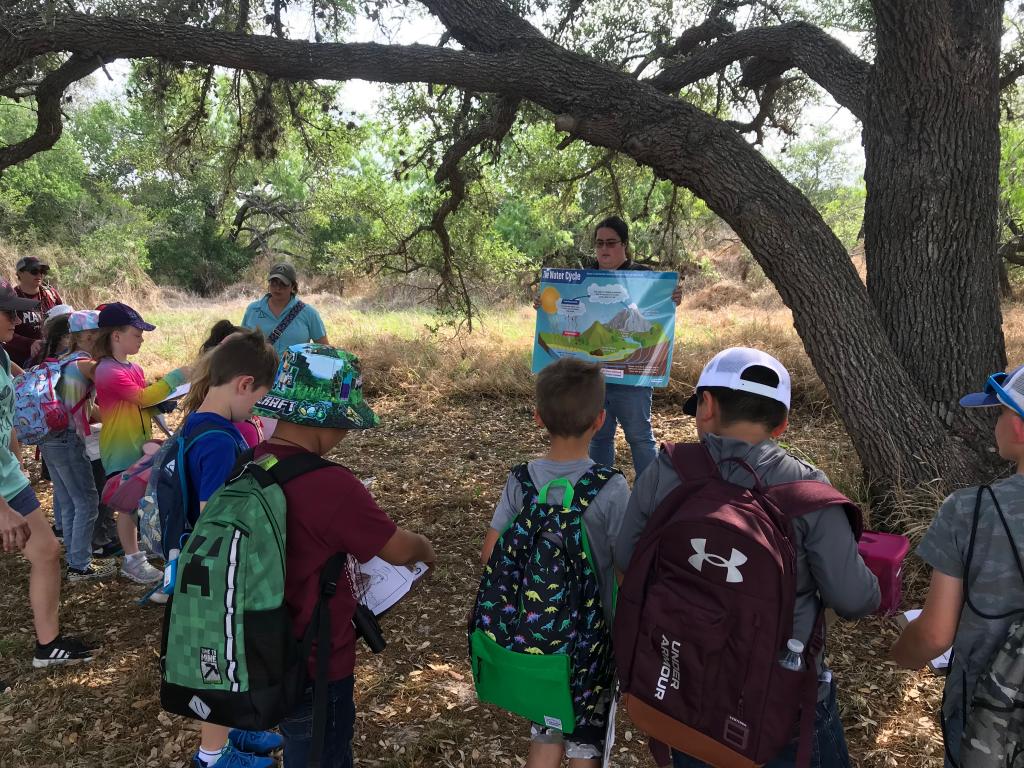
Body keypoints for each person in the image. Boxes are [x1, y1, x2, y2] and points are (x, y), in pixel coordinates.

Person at [615, 346, 880, 768]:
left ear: (706, 405)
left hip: (682, 685)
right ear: (782, 423)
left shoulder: (667, 471)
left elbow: (627, 557)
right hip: (779, 702)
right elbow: (853, 599)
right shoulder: (809, 493)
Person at [252, 343, 435, 767]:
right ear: (330, 420)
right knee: (322, 753)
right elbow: (398, 548)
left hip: (264, 646)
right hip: (316, 661)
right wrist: (427, 547)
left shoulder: (253, 462)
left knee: (298, 742)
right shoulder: (330, 484)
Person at [479, 357, 629, 767]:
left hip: (537, 637)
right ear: (600, 420)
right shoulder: (611, 487)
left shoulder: (521, 480)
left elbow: (490, 553)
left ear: (538, 417)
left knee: (546, 731)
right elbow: (624, 567)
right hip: (593, 643)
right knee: (586, 744)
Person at [890, 365, 1024, 766]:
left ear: (1018, 428)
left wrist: (900, 655)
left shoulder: (970, 510)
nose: (996, 424)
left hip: (990, 718)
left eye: (1000, 413)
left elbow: (934, 635)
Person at [169, 328, 286, 768]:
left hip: (203, 566)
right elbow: (215, 518)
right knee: (218, 661)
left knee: (230, 656)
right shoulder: (219, 441)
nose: (256, 409)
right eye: (258, 399)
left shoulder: (200, 422)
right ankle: (213, 755)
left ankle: (236, 729)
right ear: (244, 384)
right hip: (216, 571)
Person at [0, 279, 97, 667]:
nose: (16, 319)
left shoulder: (1, 353)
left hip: (8, 476)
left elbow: (13, 397)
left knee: (46, 551)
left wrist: (14, 457)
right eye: (8, 312)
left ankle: (49, 645)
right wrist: (2, 508)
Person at [93, 302, 188, 585]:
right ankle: (133, 560)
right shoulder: (107, 370)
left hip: (140, 443)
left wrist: (163, 404)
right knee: (128, 504)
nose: (141, 339)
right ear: (116, 336)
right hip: (120, 446)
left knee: (140, 498)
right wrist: (176, 377)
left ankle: (138, 549)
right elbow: (142, 397)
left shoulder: (133, 367)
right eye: (136, 334)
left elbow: (143, 403)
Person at [35, 312, 115, 582]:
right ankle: (80, 565)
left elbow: (86, 406)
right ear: (86, 337)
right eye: (101, 336)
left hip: (50, 438)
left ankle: (74, 558)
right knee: (87, 501)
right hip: (68, 439)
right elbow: (114, 381)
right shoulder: (85, 365)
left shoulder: (64, 360)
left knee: (70, 501)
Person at [198, 320, 265, 446]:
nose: (258, 409)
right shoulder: (236, 433)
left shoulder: (197, 417)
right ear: (244, 385)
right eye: (261, 398)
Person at [241, 263, 329, 357]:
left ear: (293, 286)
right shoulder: (252, 310)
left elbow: (325, 351)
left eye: (283, 284)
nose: (278, 288)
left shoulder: (309, 313)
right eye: (274, 283)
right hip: (259, 366)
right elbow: (241, 345)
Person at [7, 256, 63, 367]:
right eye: (34, 271)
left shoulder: (51, 295)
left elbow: (65, 320)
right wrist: (30, 343)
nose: (39, 275)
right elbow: (3, 332)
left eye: (42, 271)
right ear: (20, 273)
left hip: (52, 358)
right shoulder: (10, 299)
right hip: (21, 363)